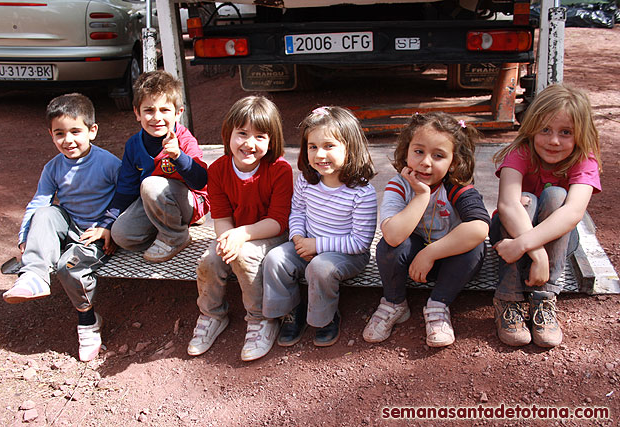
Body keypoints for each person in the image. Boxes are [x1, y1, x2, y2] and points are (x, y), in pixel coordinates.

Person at [2, 93, 121, 362]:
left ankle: (88, 320)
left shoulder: (109, 163)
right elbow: (38, 202)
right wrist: (25, 238)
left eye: (75, 131)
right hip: (70, 227)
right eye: (59, 133)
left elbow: (127, 197)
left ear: (92, 131)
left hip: (96, 234)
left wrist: (110, 227)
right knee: (44, 213)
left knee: (68, 265)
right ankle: (34, 275)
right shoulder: (53, 167)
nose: (68, 140)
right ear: (51, 134)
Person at [363, 112, 490, 348]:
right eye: (418, 151)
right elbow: (392, 235)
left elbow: (480, 227)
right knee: (389, 246)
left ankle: (438, 305)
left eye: (438, 155)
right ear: (406, 151)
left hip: (448, 260)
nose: (425, 162)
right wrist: (421, 195)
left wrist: (430, 254)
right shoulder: (399, 185)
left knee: (475, 247)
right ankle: (394, 303)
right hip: (412, 259)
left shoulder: (456, 187)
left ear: (453, 162)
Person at [490, 84, 601, 348]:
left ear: (580, 134)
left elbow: (574, 213)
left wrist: (523, 245)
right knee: (523, 202)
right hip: (510, 232)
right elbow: (506, 205)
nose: (554, 141)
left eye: (566, 133)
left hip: (556, 242)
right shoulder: (520, 152)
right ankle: (509, 299)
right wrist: (537, 253)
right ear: (532, 128)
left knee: (557, 198)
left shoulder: (584, 160)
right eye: (545, 130)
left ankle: (544, 296)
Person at [187, 96, 293, 362]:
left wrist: (241, 235)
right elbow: (221, 216)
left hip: (270, 234)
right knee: (209, 259)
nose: (249, 143)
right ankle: (212, 314)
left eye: (260, 136)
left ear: (272, 140)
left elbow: (278, 221)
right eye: (242, 134)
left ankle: (261, 318)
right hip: (234, 232)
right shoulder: (219, 169)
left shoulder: (279, 170)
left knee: (245, 257)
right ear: (228, 134)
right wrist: (226, 238)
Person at [263, 106, 377, 348]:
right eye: (312, 147)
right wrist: (296, 237)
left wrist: (317, 245)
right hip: (306, 245)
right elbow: (298, 212)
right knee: (274, 258)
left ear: (350, 147)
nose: (319, 154)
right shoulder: (306, 180)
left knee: (320, 267)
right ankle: (290, 311)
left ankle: (325, 318)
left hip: (347, 255)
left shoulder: (362, 192)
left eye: (329, 146)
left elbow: (360, 243)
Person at [109, 70, 209, 262]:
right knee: (121, 235)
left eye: (164, 110)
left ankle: (175, 237)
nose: (157, 117)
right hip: (155, 202)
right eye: (149, 110)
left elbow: (201, 180)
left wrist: (179, 156)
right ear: (137, 113)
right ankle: (169, 226)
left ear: (178, 113)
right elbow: (126, 190)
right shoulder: (133, 144)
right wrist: (107, 223)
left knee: (150, 184)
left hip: (189, 199)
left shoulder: (184, 139)